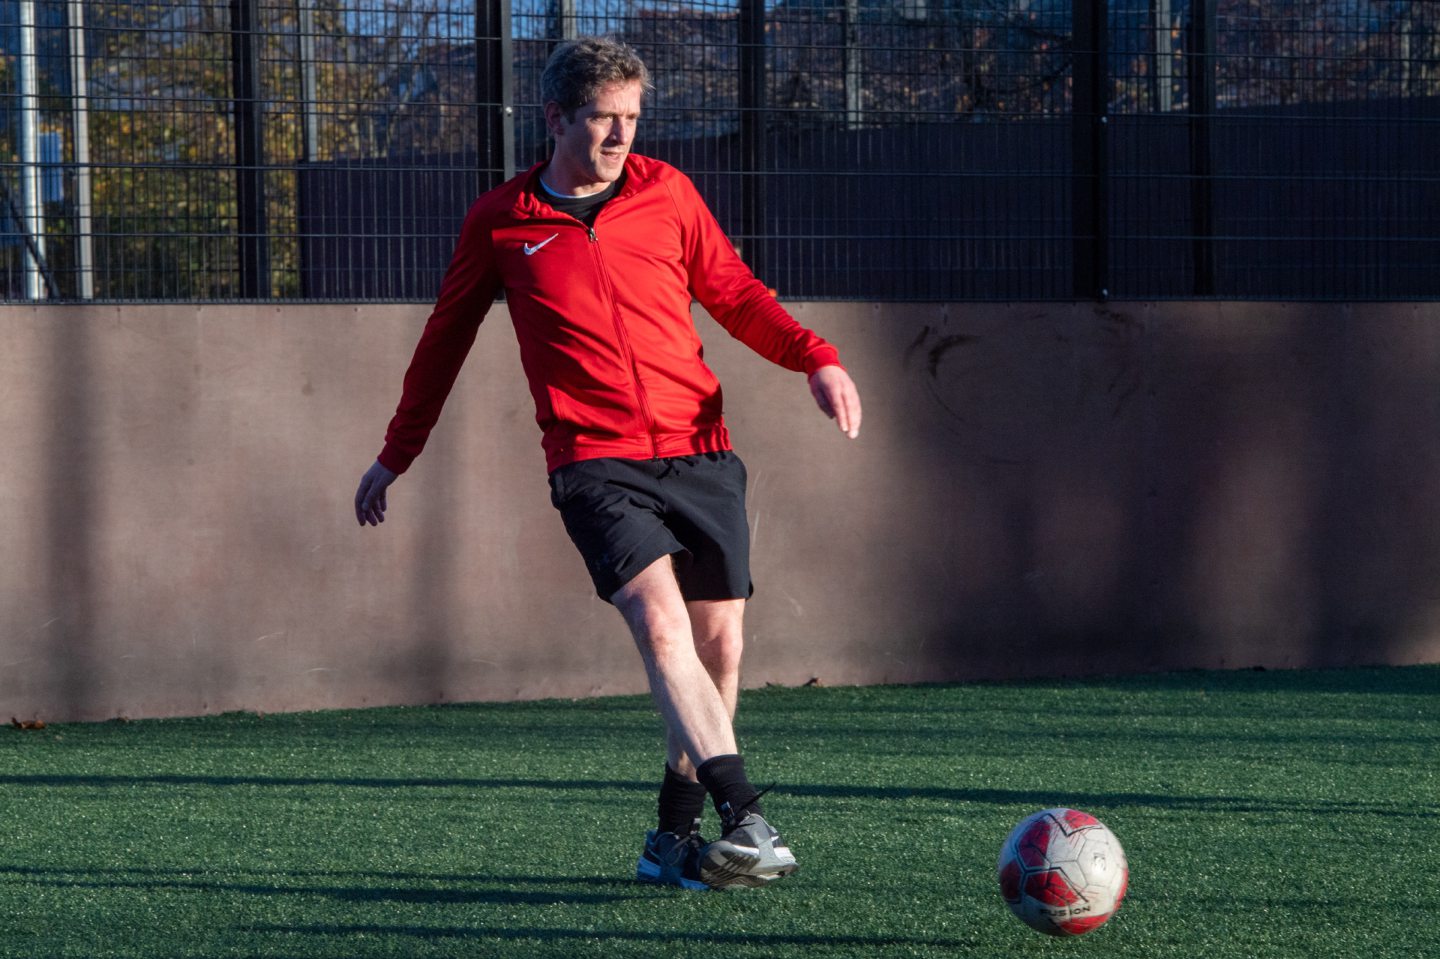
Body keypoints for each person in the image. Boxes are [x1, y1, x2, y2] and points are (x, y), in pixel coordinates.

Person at [354, 35, 861, 890]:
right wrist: (395, 454)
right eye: (602, 118)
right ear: (555, 118)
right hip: (594, 461)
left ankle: (671, 841)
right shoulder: (502, 222)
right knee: (661, 627)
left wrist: (816, 355)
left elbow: (734, 294)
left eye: (631, 117)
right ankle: (749, 817)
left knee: (720, 647)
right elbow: (443, 343)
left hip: (701, 451)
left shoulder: (668, 194)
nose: (621, 136)